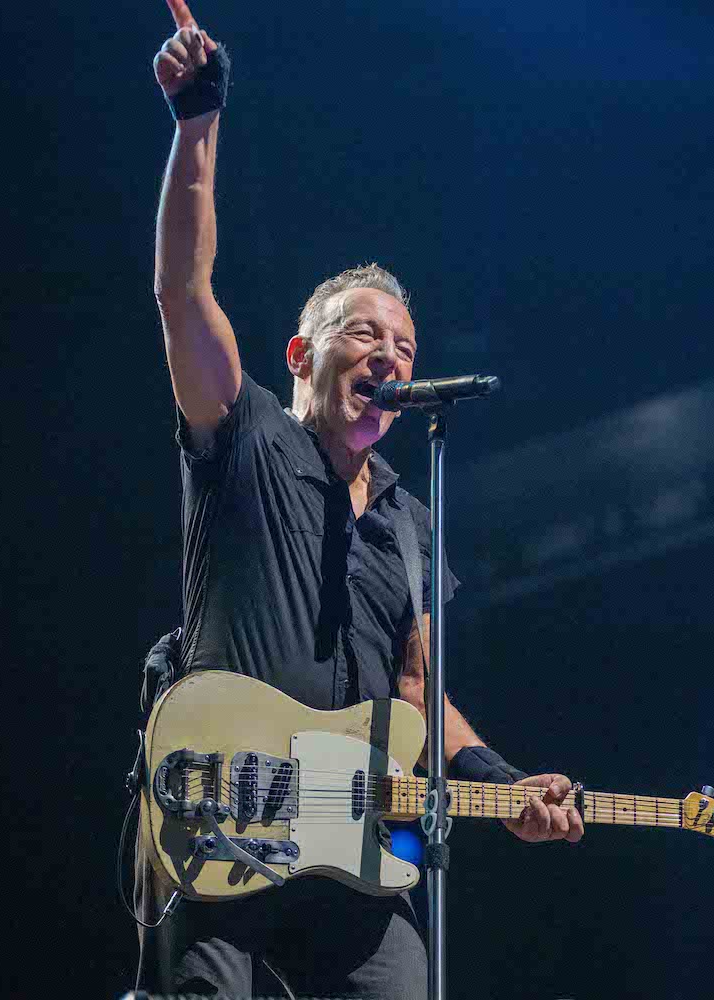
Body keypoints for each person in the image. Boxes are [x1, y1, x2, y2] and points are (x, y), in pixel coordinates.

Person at [146, 2, 584, 995]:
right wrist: (197, 127)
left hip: (355, 860)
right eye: (366, 336)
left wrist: (504, 785)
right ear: (303, 355)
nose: (391, 355)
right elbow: (182, 289)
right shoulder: (247, 435)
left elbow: (422, 699)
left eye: (406, 348)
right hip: (228, 832)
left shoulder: (406, 514)